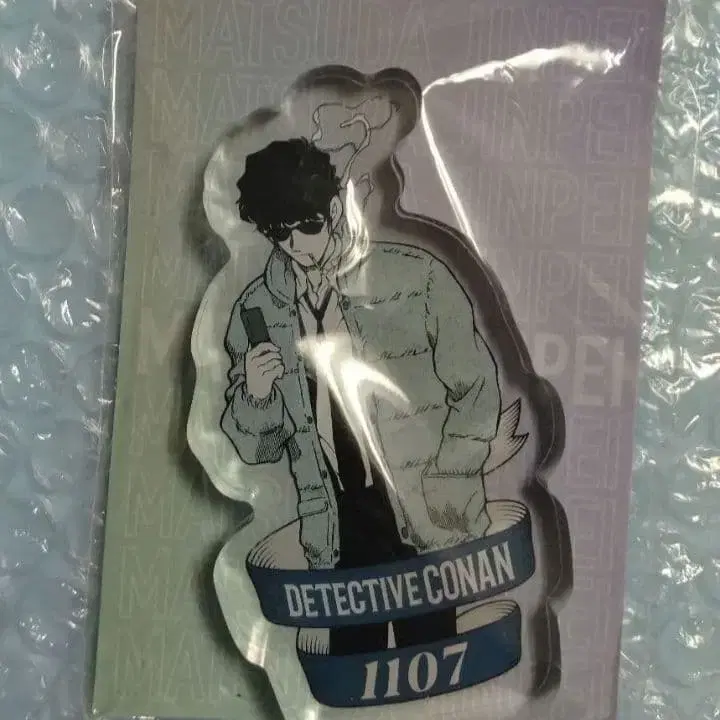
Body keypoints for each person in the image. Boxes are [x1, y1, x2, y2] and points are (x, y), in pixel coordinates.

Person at [221, 137, 501, 655]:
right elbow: (256, 450)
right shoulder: (257, 312)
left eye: (308, 225)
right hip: (334, 523)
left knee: (432, 651)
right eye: (279, 232)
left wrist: (449, 478)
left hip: (420, 509)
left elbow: (477, 389)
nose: (297, 244)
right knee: (353, 659)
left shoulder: (415, 278)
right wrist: (255, 397)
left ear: (334, 208)